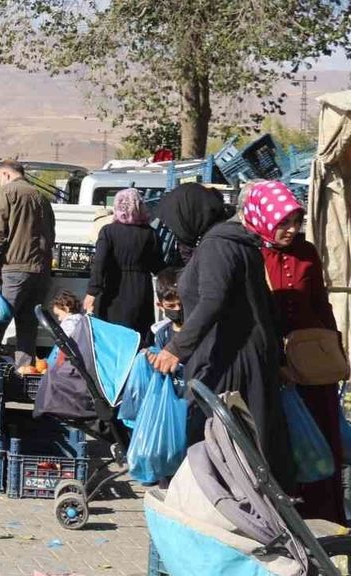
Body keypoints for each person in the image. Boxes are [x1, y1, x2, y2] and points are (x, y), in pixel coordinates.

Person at [149, 182, 293, 489]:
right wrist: (277, 357)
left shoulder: (217, 245)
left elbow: (213, 300)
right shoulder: (236, 241)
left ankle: (225, 508)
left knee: (218, 437)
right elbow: (266, 305)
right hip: (246, 354)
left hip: (229, 358)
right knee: (247, 441)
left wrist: (177, 347)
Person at [242, 180, 344, 523]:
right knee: (282, 435)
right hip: (274, 365)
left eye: (295, 222)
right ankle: (286, 513)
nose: (291, 229)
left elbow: (320, 303)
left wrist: (334, 350)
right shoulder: (251, 253)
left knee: (320, 431)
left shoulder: (307, 252)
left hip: (312, 364)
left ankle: (326, 512)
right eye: (283, 222)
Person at [0, 159, 56, 367]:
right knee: (27, 330)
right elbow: (51, 235)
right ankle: (25, 375)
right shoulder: (42, 197)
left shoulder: (5, 193)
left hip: (13, 269)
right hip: (40, 272)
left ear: (5, 175)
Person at [84, 188, 164, 339]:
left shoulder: (108, 231)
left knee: (111, 338)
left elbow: (99, 263)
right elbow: (158, 266)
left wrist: (92, 292)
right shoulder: (150, 234)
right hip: (140, 291)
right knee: (137, 338)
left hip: (113, 291)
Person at [150, 267, 183, 351]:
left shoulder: (200, 330)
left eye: (181, 304)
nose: (178, 309)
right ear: (161, 306)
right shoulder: (163, 335)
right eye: (171, 306)